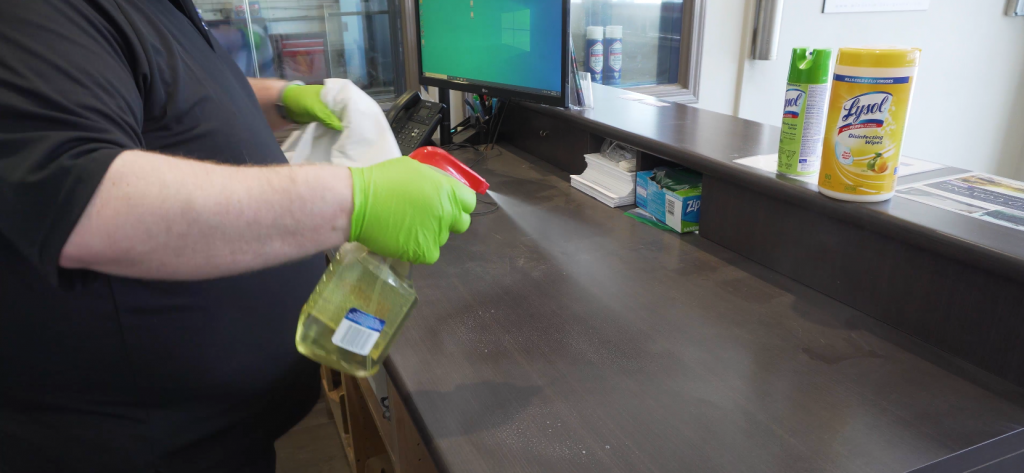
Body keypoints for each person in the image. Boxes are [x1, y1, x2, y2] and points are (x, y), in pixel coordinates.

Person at [0, 0, 474, 471]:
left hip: (218, 440)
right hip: (128, 450)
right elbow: (80, 198)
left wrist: (280, 99)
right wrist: (354, 199)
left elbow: (171, 94)